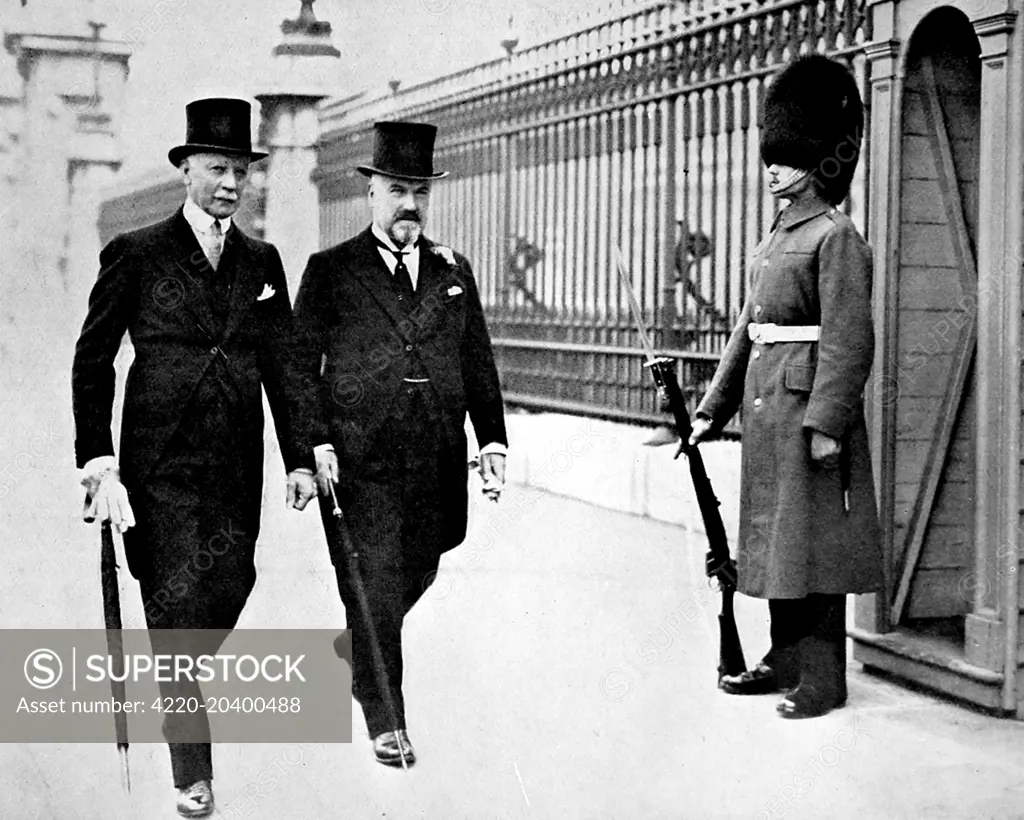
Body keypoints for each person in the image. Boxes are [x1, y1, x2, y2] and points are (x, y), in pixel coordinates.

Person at [72, 98, 318, 816]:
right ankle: (193, 771)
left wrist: (300, 455)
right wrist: (98, 459)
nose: (230, 185)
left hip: (237, 468)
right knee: (177, 610)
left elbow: (287, 367)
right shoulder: (138, 252)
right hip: (159, 466)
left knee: (227, 588)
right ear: (186, 170)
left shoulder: (261, 261)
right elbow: (94, 361)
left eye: (241, 172)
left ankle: (177, 680)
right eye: (217, 169)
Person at [292, 120, 508, 765]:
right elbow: (301, 367)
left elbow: (477, 361)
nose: (408, 203)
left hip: (436, 457)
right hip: (361, 462)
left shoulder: (452, 269)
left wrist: (492, 441)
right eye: (395, 190)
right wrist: (315, 444)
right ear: (370, 195)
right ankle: (386, 716)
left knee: (417, 569)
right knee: (375, 585)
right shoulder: (332, 271)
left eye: (418, 190)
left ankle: (363, 642)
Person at [688, 55, 883, 719]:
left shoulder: (837, 237)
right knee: (777, 542)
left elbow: (850, 340)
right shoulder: (775, 240)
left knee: (819, 551)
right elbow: (748, 329)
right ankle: (783, 658)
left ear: (817, 159)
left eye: (786, 156)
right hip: (768, 416)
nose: (770, 168)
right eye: (769, 156)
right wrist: (712, 409)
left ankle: (825, 678)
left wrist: (827, 422)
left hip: (807, 419)